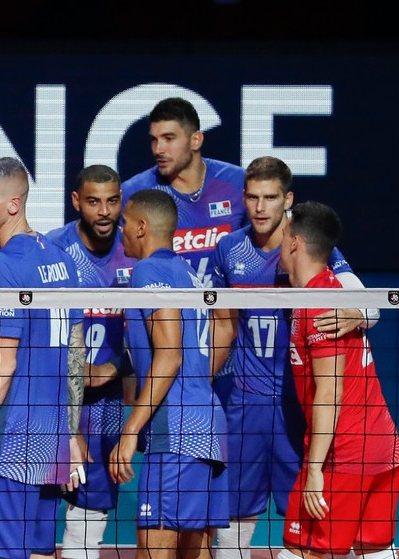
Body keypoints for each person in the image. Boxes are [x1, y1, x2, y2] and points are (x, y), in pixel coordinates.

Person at [210, 156, 380, 559]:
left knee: (311, 524)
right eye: (252, 197)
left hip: (298, 409)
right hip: (246, 405)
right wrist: (198, 382)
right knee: (233, 523)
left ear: (287, 199)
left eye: (270, 198)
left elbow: (371, 305)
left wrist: (357, 313)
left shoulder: (307, 246)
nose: (260, 208)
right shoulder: (229, 249)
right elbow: (224, 326)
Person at [0, 156, 81, 559]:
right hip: (49, 442)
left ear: (13, 204)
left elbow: (3, 364)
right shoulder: (62, 259)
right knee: (38, 553)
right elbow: (73, 357)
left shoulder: (1, 266)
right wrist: (69, 435)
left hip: (9, 444)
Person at [276, 201, 399, 559]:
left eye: (283, 235)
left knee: (301, 551)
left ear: (294, 243)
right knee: (374, 551)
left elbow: (330, 392)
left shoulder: (319, 305)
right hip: (382, 448)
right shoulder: (334, 292)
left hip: (344, 456)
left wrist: (315, 469)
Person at [108, 189, 228, 559]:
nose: (121, 230)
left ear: (141, 226)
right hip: (207, 423)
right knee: (195, 551)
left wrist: (130, 429)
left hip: (176, 431)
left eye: (125, 222)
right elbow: (218, 333)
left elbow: (170, 355)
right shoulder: (187, 273)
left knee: (154, 551)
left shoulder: (149, 270)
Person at [45, 165, 136, 559]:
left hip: (107, 406)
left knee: (89, 513)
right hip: (51, 399)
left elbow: (160, 332)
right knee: (35, 508)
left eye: (112, 201)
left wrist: (114, 369)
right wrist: (69, 422)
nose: (104, 212)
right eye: (94, 202)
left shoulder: (134, 251)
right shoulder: (54, 251)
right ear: (76, 202)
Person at [121, 96, 245, 286]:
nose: (158, 150)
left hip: (227, 303)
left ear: (196, 140)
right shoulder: (135, 194)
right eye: (154, 140)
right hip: (165, 302)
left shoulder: (237, 183)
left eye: (168, 139)